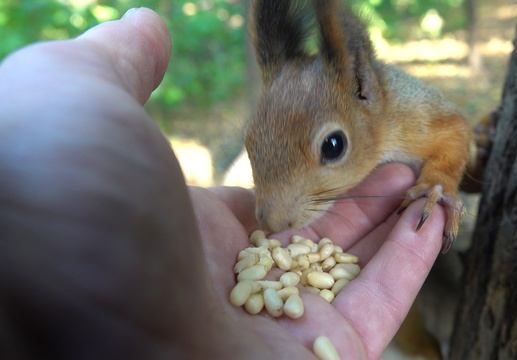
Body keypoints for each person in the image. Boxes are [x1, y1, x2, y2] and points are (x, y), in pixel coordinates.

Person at [0, 8, 445, 359]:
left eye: (331, 146)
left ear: (364, 84)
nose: (271, 218)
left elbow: (450, 134)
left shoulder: (397, 112)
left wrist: (440, 177)